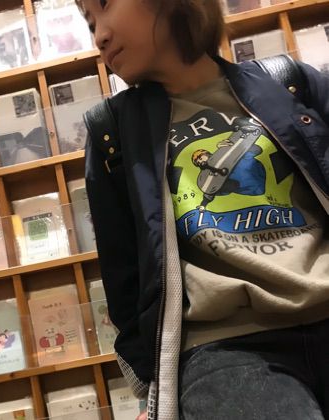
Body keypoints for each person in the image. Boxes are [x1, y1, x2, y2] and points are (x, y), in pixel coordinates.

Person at [76, 0, 329, 419]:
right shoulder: (111, 132)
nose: (99, 36)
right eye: (89, 23)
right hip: (226, 347)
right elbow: (122, 279)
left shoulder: (288, 82)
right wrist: (155, 388)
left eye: (104, 6)